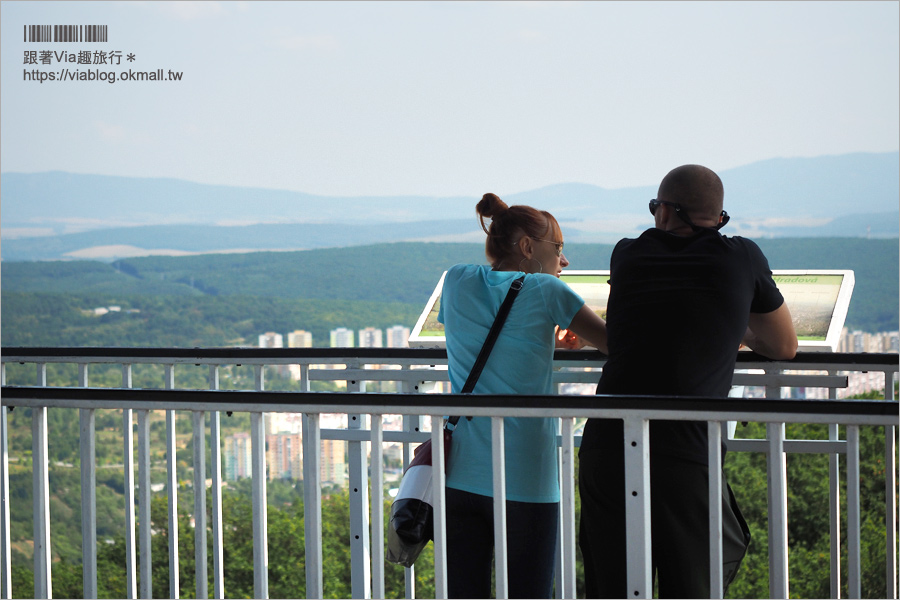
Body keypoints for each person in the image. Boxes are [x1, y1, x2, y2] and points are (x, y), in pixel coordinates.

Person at [578, 164, 798, 598]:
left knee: (610, 583)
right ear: (717, 218)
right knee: (690, 584)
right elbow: (784, 346)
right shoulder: (741, 255)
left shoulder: (627, 253)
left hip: (607, 440)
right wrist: (735, 335)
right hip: (686, 446)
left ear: (665, 212)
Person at [438, 192, 608, 599]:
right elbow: (616, 344)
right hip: (526, 477)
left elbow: (493, 327)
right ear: (529, 247)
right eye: (559, 248)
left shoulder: (456, 279)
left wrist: (546, 336)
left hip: (458, 472)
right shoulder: (549, 291)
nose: (564, 261)